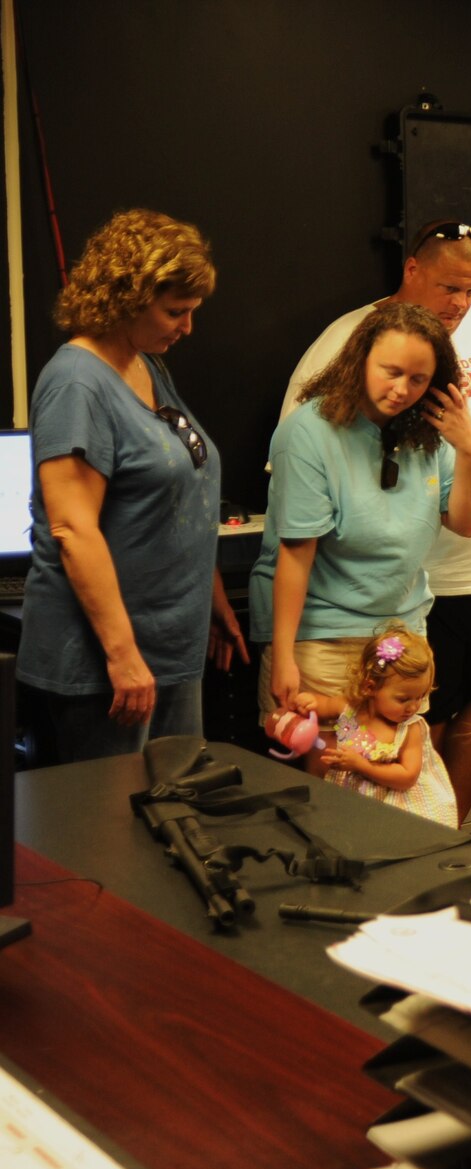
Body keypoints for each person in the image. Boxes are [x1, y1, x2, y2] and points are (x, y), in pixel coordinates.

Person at [284, 221, 471, 822]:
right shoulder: (345, 343)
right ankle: (411, 837)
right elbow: (298, 514)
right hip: (401, 601)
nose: (462, 303)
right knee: (396, 730)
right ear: (411, 270)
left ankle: (439, 829)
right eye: (449, 288)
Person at [19, 209, 248, 761]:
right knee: (107, 837)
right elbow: (74, 529)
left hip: (170, 646)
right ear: (126, 298)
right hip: (102, 662)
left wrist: (212, 599)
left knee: (174, 819)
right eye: (175, 312)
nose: (187, 327)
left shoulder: (146, 365)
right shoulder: (77, 383)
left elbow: (178, 491)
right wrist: (122, 656)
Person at [250, 303, 471, 728]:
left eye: (418, 379)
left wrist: (469, 449)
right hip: (322, 633)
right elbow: (296, 553)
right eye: (390, 372)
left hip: (399, 634)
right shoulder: (309, 431)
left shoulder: (428, 431)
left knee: (393, 775)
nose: (402, 390)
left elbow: (466, 523)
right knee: (326, 778)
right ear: (359, 361)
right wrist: (283, 656)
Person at [281, 623, 456, 827]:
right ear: (370, 687)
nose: (414, 706)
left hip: (396, 808)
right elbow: (325, 704)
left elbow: (407, 776)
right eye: (403, 699)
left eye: (420, 696)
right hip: (353, 799)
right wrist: (309, 702)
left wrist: (362, 766)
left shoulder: (410, 729)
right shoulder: (350, 708)